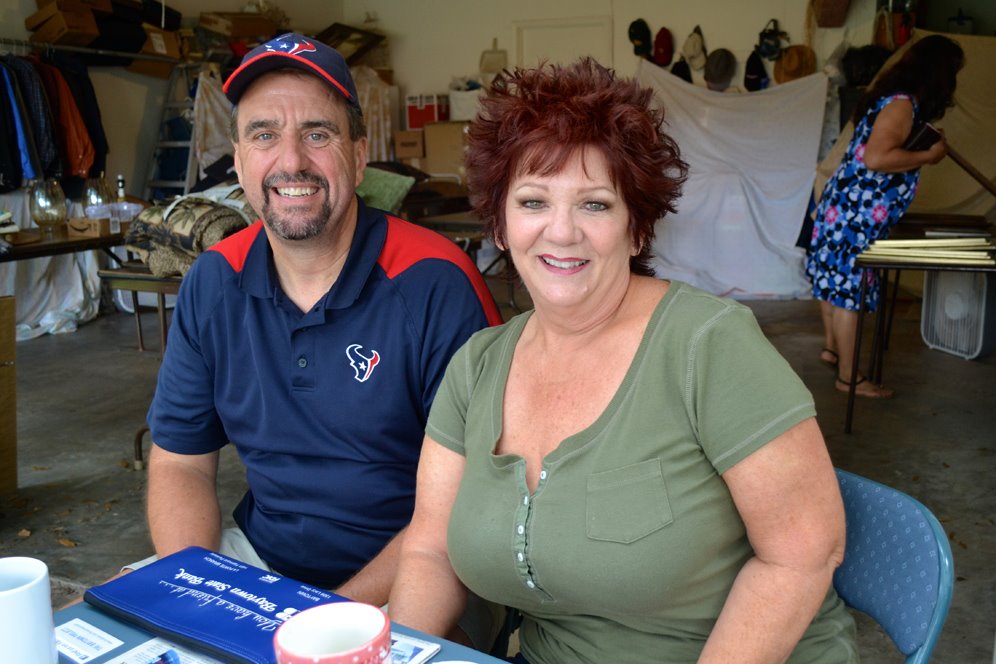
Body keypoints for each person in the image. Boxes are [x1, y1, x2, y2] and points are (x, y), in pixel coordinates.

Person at [389, 58, 857, 663]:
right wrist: (397, 655)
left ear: (637, 229)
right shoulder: (478, 366)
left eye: (595, 205)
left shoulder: (708, 345)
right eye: (533, 202)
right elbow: (428, 549)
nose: (561, 232)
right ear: (499, 226)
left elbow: (803, 553)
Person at [133, 33, 502, 645]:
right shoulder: (213, 280)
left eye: (318, 133)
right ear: (240, 158)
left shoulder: (433, 282)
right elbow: (180, 465)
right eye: (264, 135)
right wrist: (195, 591)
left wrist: (319, 623)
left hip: (425, 572)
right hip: (263, 565)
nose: (291, 161)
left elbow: (462, 510)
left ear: (359, 156)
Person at [806, 35, 964, 398]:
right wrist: (929, 156)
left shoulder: (890, 100)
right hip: (856, 215)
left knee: (833, 284)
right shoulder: (901, 106)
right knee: (849, 295)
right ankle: (849, 378)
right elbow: (876, 159)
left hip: (843, 208)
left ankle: (833, 349)